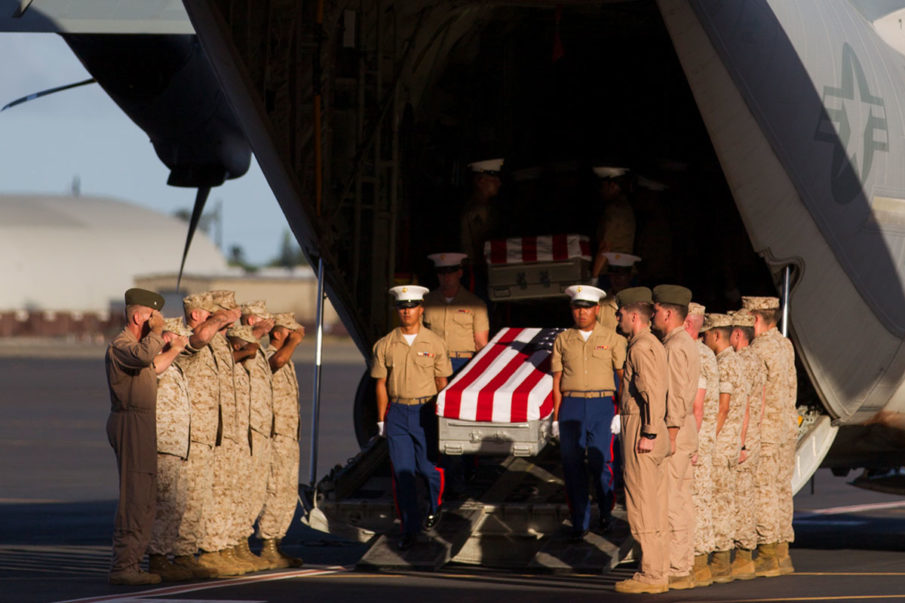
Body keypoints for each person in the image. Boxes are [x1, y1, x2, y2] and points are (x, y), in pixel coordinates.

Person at [371, 285, 452, 551]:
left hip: (425, 411)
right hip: (398, 414)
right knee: (403, 474)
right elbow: (381, 383)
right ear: (397, 310)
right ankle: (410, 528)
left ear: (421, 309)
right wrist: (383, 418)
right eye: (402, 307)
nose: (407, 312)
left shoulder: (435, 342)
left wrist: (443, 416)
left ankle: (435, 505)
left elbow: (442, 382)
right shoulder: (384, 344)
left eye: (411, 307)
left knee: (428, 469)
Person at [551, 285, 626, 539]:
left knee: (601, 462)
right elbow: (557, 380)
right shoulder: (563, 340)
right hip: (571, 406)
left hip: (602, 405)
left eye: (586, 308)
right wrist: (555, 417)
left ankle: (606, 510)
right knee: (572, 466)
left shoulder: (613, 339)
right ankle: (580, 522)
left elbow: (622, 377)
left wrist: (620, 412)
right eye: (576, 308)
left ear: (597, 309)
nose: (581, 313)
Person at [104, 287, 166, 585]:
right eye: (153, 316)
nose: (158, 321)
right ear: (140, 316)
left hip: (142, 422)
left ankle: (133, 564)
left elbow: (152, 366)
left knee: (144, 496)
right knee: (134, 497)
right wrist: (157, 333)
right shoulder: (122, 345)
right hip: (130, 422)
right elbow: (143, 358)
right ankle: (123, 567)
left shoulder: (139, 346)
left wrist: (174, 347)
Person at [178, 292, 242, 577]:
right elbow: (201, 337)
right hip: (193, 435)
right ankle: (181, 555)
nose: (223, 320)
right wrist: (221, 318)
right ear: (196, 315)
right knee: (189, 498)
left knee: (212, 494)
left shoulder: (217, 344)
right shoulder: (185, 338)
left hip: (214, 432)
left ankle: (214, 550)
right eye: (214, 313)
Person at [613, 287, 669, 595]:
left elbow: (651, 393)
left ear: (634, 316)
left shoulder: (639, 348)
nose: (617, 318)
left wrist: (648, 431)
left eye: (620, 313)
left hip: (641, 428)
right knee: (654, 503)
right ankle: (657, 568)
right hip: (648, 425)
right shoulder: (651, 344)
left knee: (642, 503)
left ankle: (651, 573)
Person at [741, 296, 798, 577]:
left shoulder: (758, 349)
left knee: (763, 490)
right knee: (780, 490)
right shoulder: (784, 344)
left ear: (754, 318)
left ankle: (767, 552)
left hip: (766, 430)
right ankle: (782, 553)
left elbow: (757, 394)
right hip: (786, 427)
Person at [651, 285, 700, 590]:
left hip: (676, 431)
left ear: (668, 314)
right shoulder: (684, 343)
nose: (653, 314)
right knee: (680, 500)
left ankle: (676, 567)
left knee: (671, 501)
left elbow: (677, 395)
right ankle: (683, 564)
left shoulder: (673, 346)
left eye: (655, 310)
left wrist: (669, 433)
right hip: (684, 429)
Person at [147, 317, 198, 582]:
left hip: (176, 444)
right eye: (182, 337)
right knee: (164, 504)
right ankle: (157, 558)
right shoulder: (158, 357)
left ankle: (165, 556)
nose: (186, 341)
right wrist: (173, 348)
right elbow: (154, 368)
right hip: (163, 443)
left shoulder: (174, 364)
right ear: (169, 337)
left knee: (175, 504)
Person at [700, 313, 746, 583]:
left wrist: (708, 438)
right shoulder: (735, 361)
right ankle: (722, 561)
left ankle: (719, 561)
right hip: (730, 442)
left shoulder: (726, 364)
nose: (704, 339)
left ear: (716, 335)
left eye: (705, 335)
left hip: (720, 444)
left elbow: (723, 407)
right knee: (724, 501)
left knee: (718, 504)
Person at [258, 312, 305, 567]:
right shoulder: (269, 356)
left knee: (287, 491)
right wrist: (294, 342)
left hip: (288, 434)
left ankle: (276, 543)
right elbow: (277, 360)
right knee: (275, 488)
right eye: (290, 331)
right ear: (277, 333)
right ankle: (268, 544)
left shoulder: (287, 360)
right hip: (276, 435)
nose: (295, 335)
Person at [225, 323, 271, 571]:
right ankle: (225, 549)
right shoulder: (224, 352)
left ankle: (239, 546)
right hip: (235, 434)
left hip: (253, 430)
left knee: (249, 491)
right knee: (230, 493)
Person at [728, 309, 767, 580]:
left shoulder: (740, 361)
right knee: (746, 496)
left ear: (738, 334)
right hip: (752, 434)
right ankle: (745, 556)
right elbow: (760, 402)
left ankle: (742, 559)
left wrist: (739, 444)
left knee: (740, 498)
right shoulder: (756, 359)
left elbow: (740, 406)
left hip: (742, 438)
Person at [239, 301, 276, 567]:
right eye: (264, 319)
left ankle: (242, 547)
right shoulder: (247, 345)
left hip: (262, 427)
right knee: (244, 489)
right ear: (252, 321)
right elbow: (244, 350)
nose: (270, 323)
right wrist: (257, 333)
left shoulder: (257, 348)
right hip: (248, 429)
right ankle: (236, 546)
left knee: (254, 489)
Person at [685, 302, 718, 587]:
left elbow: (697, 406)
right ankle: (701, 565)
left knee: (693, 502)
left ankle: (695, 565)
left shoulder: (694, 353)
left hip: (695, 437)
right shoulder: (708, 353)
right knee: (703, 501)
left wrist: (690, 445)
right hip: (705, 437)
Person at [422, 252, 489, 373]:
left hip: (463, 362)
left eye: (450, 273)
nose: (446, 277)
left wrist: (481, 370)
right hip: (432, 361)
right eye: (442, 273)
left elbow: (481, 344)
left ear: (459, 273)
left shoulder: (476, 304)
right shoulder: (426, 302)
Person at [460, 158, 504, 294]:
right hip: (477, 270)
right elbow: (482, 244)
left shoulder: (486, 208)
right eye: (493, 178)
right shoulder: (478, 210)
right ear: (481, 181)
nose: (498, 183)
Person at [591, 166, 636, 280]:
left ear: (613, 186)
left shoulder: (613, 209)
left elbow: (605, 247)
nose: (601, 191)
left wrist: (594, 278)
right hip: (622, 271)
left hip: (613, 273)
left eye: (603, 186)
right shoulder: (625, 207)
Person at [596, 252, 641, 332]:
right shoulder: (599, 303)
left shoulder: (641, 303)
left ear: (630, 276)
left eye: (621, 275)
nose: (617, 279)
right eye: (613, 275)